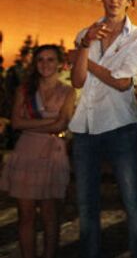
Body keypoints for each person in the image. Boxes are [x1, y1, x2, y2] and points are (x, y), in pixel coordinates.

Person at [69, 0, 137, 258]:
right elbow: (78, 81)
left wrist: (86, 57)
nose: (114, 1)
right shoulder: (86, 33)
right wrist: (84, 44)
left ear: (130, 1)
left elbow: (121, 83)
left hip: (120, 127)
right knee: (86, 205)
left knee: (132, 200)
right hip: (85, 128)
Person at [0, 45, 75, 258]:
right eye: (40, 60)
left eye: (51, 59)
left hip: (53, 155)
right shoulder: (24, 90)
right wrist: (52, 120)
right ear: (35, 63)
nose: (45, 64)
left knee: (50, 216)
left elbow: (61, 126)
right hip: (26, 154)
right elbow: (15, 122)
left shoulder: (68, 91)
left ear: (60, 63)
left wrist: (31, 122)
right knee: (26, 216)